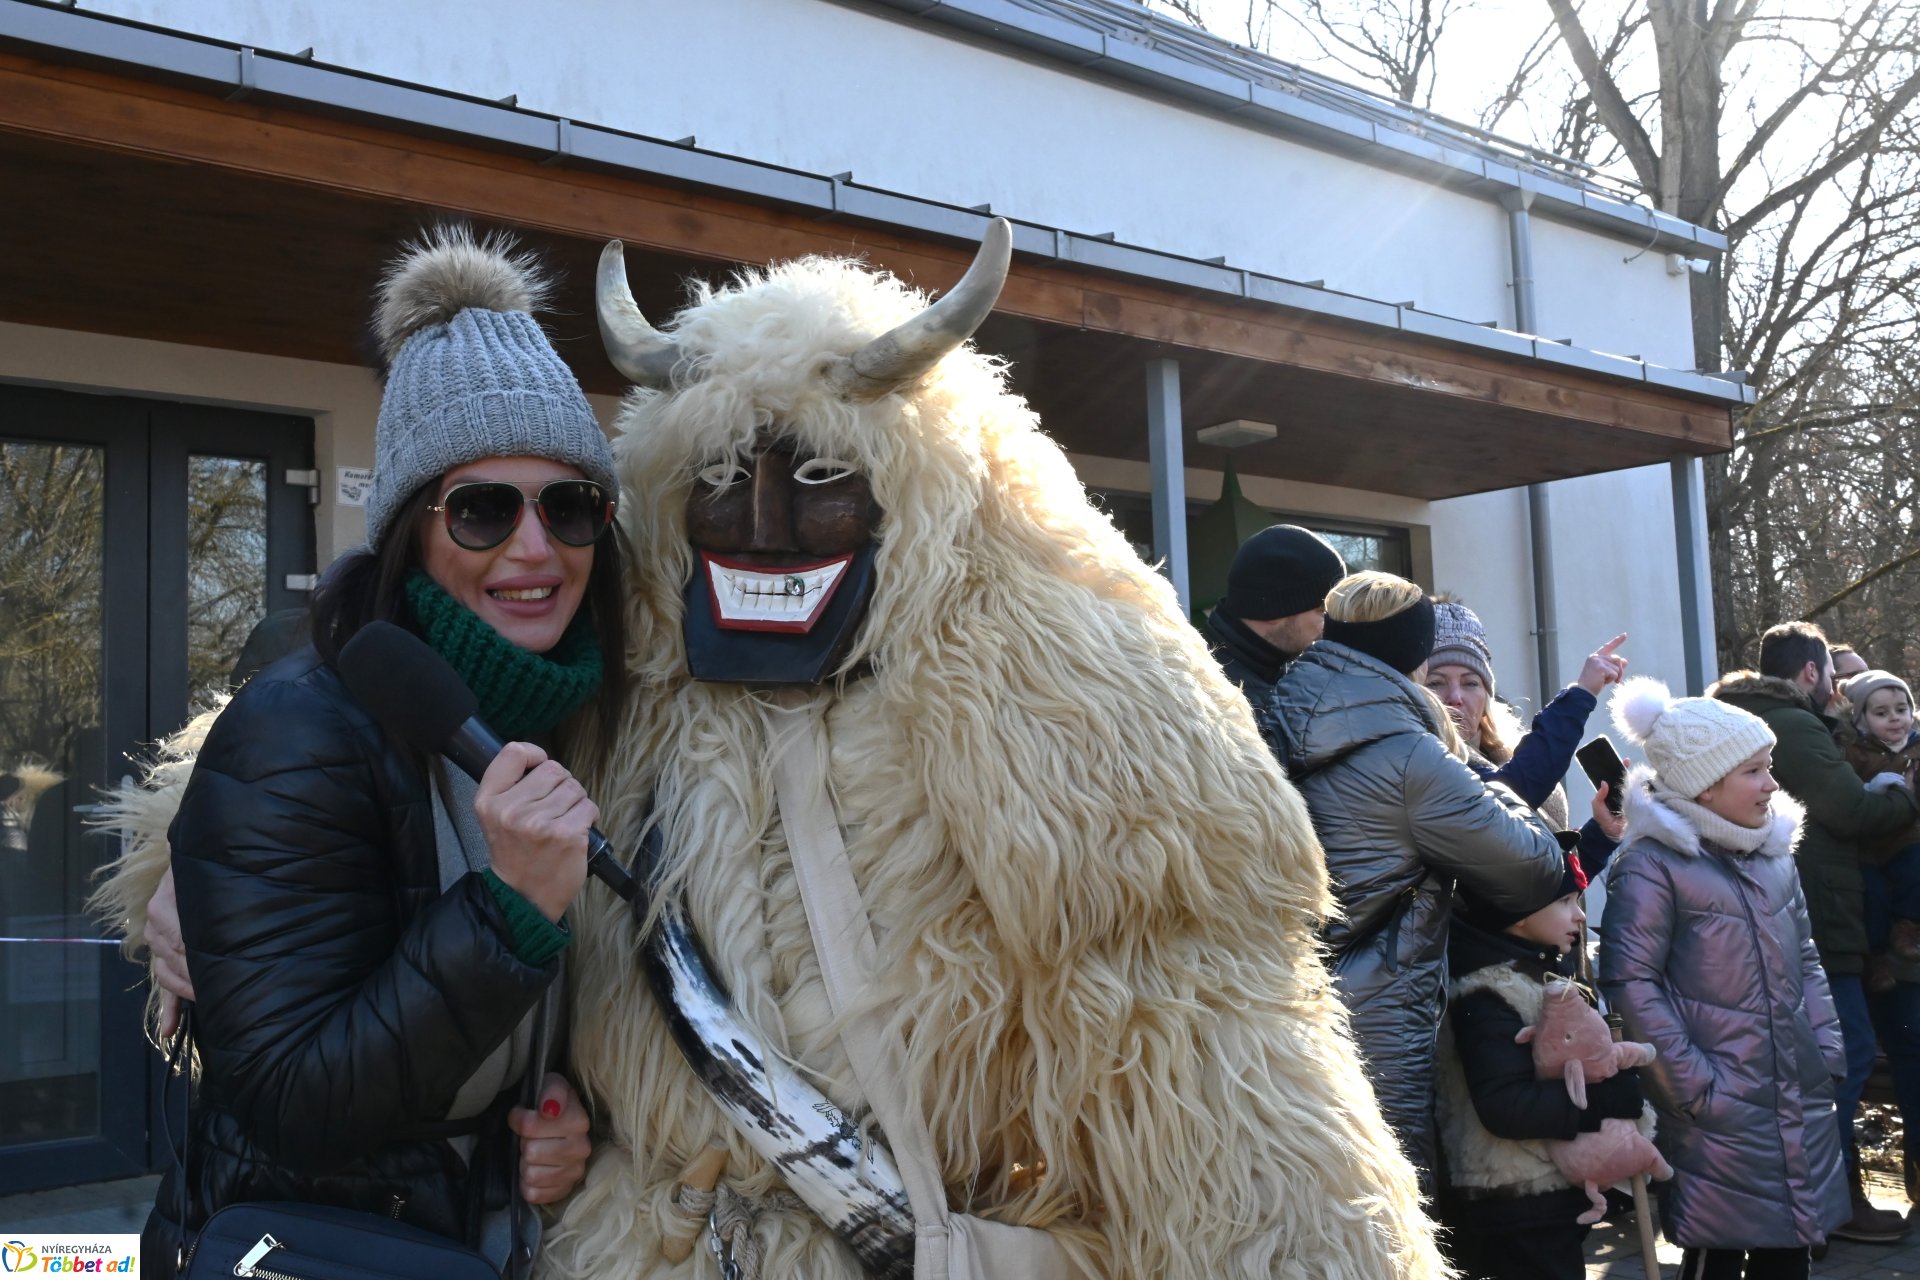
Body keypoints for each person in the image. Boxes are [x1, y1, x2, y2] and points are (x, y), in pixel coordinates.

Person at [136, 228, 618, 1275]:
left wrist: (548, 1111)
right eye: (484, 508)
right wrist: (510, 912)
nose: (535, 548)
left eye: (570, 504)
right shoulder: (299, 726)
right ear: (410, 528)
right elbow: (292, 1099)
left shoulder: (585, 721)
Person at [1269, 570, 1566, 1191]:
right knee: (1394, 1201)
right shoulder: (1413, 757)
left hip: (1289, 1003)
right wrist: (1477, 769)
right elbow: (1533, 866)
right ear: (1412, 651)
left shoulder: (1275, 714)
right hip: (1381, 1011)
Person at [1601, 676, 1849, 1277]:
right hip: (1715, 1103)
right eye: (1754, 772)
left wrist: (1827, 1046)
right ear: (1704, 788)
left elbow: (1807, 957)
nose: (1772, 785)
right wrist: (1691, 1085)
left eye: (1770, 769)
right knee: (1718, 1252)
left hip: (1793, 1085)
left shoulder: (1773, 858)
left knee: (1790, 1250)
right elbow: (1631, 982)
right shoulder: (1652, 865)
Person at [1712, 621, 1916, 1243]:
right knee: (1844, 1055)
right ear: (1811, 672)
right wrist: (1911, 794)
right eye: (1835, 675)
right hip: (1823, 916)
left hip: (1800, 914)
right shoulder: (1793, 724)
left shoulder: (1737, 719)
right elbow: (1849, 810)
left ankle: (1822, 1201)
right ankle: (1831, 1203)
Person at [1435, 849, 1650, 1279]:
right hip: (1513, 1199)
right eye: (1566, 903)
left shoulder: (1537, 976)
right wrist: (1607, 1099)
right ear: (1518, 912)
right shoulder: (1487, 993)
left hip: (1544, 1197)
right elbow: (1506, 1106)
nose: (1581, 917)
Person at [1423, 598, 1627, 872]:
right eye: (1436, 682)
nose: (1455, 698)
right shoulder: (1424, 766)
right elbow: (1506, 800)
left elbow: (1552, 891)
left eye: (1471, 683)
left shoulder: (1502, 756)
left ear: (1487, 697)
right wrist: (1581, 694)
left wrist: (1602, 833)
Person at [1201, 523, 1346, 742]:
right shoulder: (1211, 697)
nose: (1330, 626)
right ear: (1274, 610)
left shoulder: (1282, 671)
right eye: (1322, 611)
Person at [1835, 669, 1920, 989]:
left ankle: (1907, 928)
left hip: (1908, 836)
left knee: (1915, 870)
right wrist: (1871, 787)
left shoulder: (1917, 746)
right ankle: (1877, 958)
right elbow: (1847, 790)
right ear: (1861, 719)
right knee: (1873, 897)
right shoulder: (1855, 751)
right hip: (1869, 843)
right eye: (1881, 713)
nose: (1895, 719)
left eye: (1902, 710)